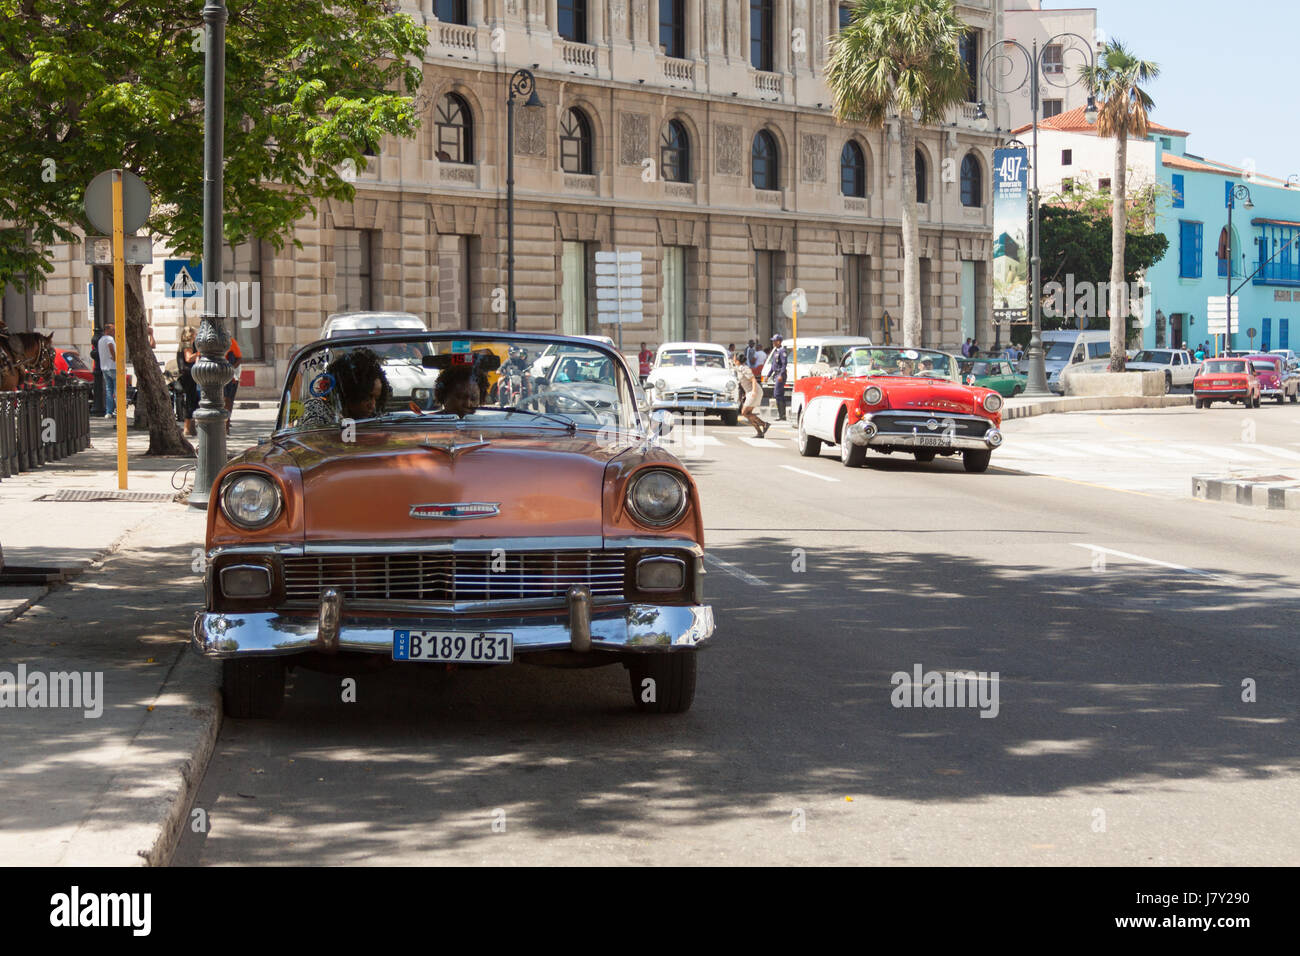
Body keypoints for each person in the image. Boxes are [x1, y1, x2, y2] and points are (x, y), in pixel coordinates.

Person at [299, 348, 392, 429]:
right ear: (349, 390)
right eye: (367, 398)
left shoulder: (368, 417)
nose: (372, 406)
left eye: (376, 399)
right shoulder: (316, 412)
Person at [733, 353, 768, 437]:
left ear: (737, 361)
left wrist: (754, 392)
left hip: (754, 391)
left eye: (734, 359)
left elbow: (753, 380)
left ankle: (764, 424)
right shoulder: (739, 368)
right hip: (750, 392)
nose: (733, 360)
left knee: (744, 412)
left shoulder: (744, 368)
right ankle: (760, 432)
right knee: (748, 413)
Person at [177, 326, 199, 436]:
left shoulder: (184, 344)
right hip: (188, 375)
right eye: (195, 333)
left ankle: (190, 427)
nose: (196, 335)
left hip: (187, 374)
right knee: (192, 400)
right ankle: (187, 428)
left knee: (193, 400)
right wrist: (200, 353)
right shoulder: (187, 345)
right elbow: (189, 358)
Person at [223, 336, 242, 435]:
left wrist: (231, 369)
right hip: (216, 375)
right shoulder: (206, 341)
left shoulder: (230, 341)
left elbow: (239, 358)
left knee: (228, 400)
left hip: (230, 376)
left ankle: (226, 425)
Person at [98, 328, 117, 418]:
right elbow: (110, 346)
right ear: (107, 330)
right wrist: (114, 357)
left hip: (104, 367)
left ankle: (109, 412)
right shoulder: (109, 338)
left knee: (109, 390)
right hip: (112, 366)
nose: (114, 331)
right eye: (113, 329)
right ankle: (118, 410)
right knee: (117, 389)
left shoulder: (100, 340)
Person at [770, 334, 789, 421]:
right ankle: (781, 415)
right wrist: (768, 375)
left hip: (780, 374)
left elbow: (784, 364)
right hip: (776, 374)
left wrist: (781, 374)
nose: (773, 342)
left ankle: (782, 415)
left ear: (778, 341)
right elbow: (773, 365)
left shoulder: (782, 351)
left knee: (777, 394)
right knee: (779, 394)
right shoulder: (776, 351)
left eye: (774, 341)